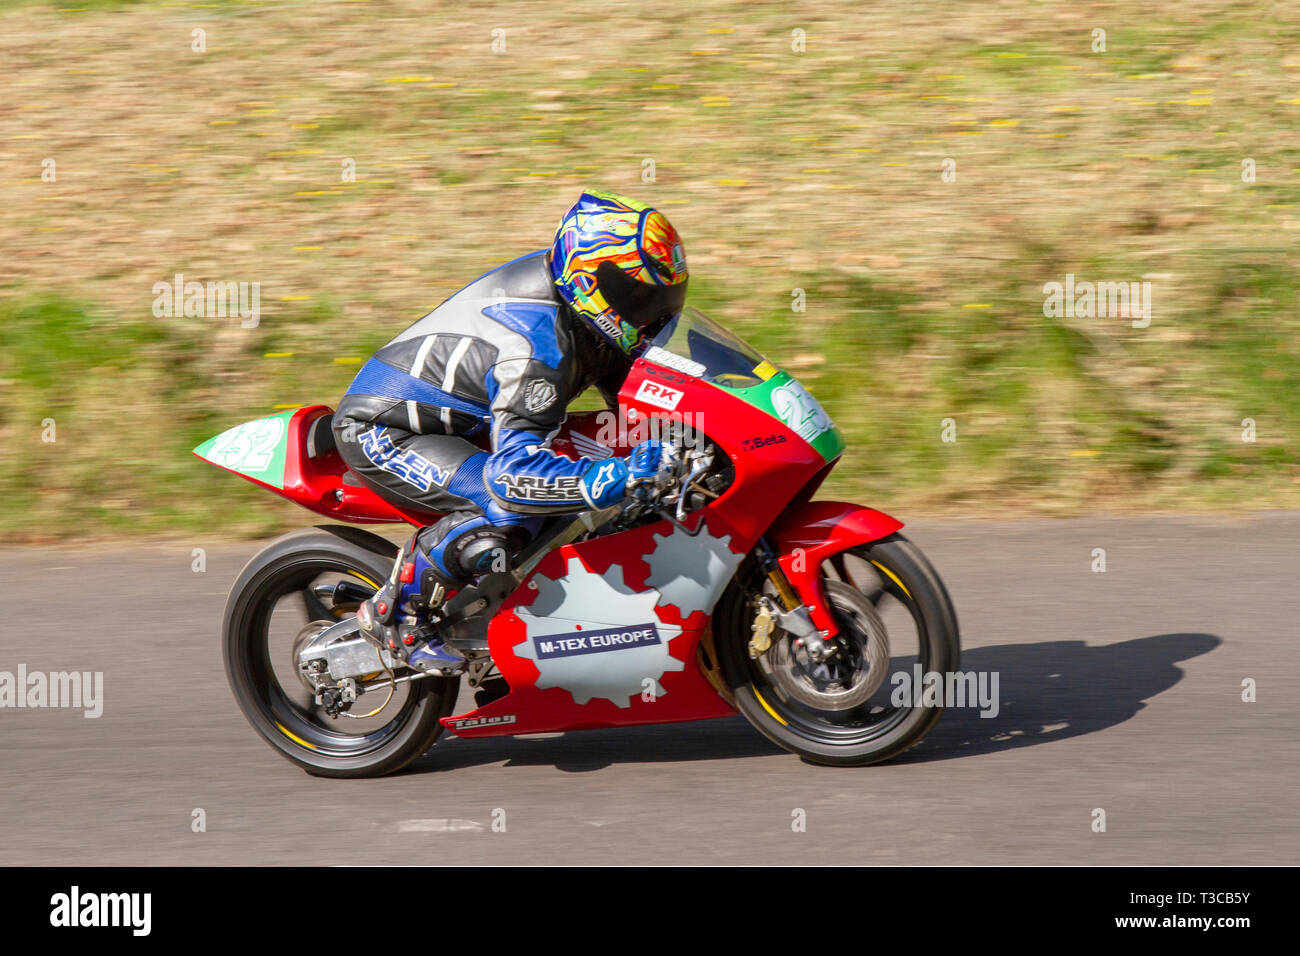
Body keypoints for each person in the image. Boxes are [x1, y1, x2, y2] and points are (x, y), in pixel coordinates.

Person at [332, 190, 689, 672]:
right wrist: (608, 478)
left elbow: (638, 408)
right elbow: (512, 476)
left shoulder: (590, 317)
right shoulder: (536, 346)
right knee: (507, 514)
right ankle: (397, 616)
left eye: (664, 298)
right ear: (590, 279)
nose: (654, 313)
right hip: (386, 429)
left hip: (473, 424)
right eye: (640, 296)